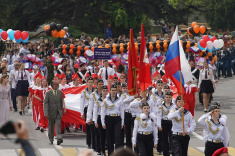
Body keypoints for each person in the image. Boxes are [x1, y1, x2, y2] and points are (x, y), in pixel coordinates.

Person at [101, 84, 124, 155]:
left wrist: (122, 122)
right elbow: (103, 112)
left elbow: (122, 111)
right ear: (110, 91)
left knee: (118, 136)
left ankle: (117, 153)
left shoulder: (119, 100)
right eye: (112, 90)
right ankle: (110, 153)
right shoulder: (106, 100)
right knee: (109, 137)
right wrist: (103, 123)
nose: (114, 92)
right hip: (109, 118)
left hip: (117, 118)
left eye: (115, 90)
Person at [44, 80, 65, 145]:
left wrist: (61, 110)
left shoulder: (60, 92)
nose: (58, 86)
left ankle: (59, 138)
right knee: (50, 127)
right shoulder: (48, 93)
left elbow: (61, 102)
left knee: (58, 126)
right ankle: (51, 139)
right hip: (50, 113)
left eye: (58, 84)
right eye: (56, 84)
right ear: (52, 85)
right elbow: (45, 103)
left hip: (58, 112)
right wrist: (46, 112)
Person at [87, 79, 103, 154]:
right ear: (97, 85)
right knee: (96, 132)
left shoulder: (105, 93)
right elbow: (90, 107)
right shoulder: (93, 94)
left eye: (102, 84)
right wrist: (89, 117)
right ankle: (97, 147)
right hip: (95, 114)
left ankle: (102, 146)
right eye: (100, 84)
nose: (101, 85)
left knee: (103, 132)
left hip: (103, 114)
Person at [158, 91, 176, 156]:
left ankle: (173, 152)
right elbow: (159, 116)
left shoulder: (174, 106)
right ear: (164, 98)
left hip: (171, 123)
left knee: (172, 138)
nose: (168, 98)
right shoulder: (161, 106)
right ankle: (166, 153)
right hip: (164, 122)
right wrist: (159, 125)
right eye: (166, 97)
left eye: (169, 97)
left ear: (171, 98)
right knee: (164, 139)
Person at [80, 77, 95, 149]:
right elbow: (81, 103)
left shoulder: (95, 91)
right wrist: (82, 112)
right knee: (88, 126)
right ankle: (89, 143)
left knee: (94, 127)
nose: (90, 84)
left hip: (94, 109)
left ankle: (94, 142)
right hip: (87, 109)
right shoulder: (84, 92)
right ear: (87, 83)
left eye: (91, 82)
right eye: (89, 82)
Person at [93, 85, 108, 156]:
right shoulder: (98, 101)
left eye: (106, 91)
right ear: (101, 92)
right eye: (103, 91)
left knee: (108, 135)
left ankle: (108, 149)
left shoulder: (109, 100)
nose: (105, 92)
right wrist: (95, 121)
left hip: (108, 118)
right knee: (102, 135)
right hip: (100, 118)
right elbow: (95, 112)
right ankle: (102, 150)